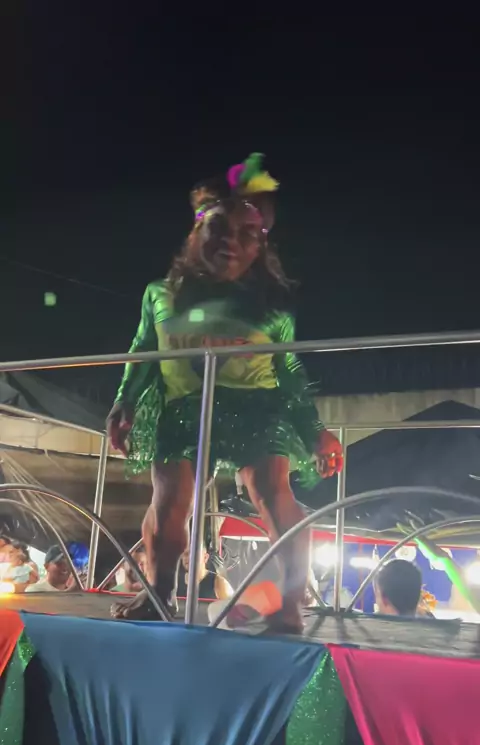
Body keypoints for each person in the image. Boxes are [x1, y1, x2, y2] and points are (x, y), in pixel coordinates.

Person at [107, 153, 343, 633]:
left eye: (246, 234)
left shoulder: (272, 306)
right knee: (169, 502)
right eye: (219, 228)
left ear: (260, 246)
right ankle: (159, 594)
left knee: (273, 494)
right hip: (183, 408)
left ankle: (290, 605)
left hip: (256, 408)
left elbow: (288, 368)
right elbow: (144, 350)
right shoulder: (159, 294)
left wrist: (316, 432)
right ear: (197, 231)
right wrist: (124, 402)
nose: (230, 242)